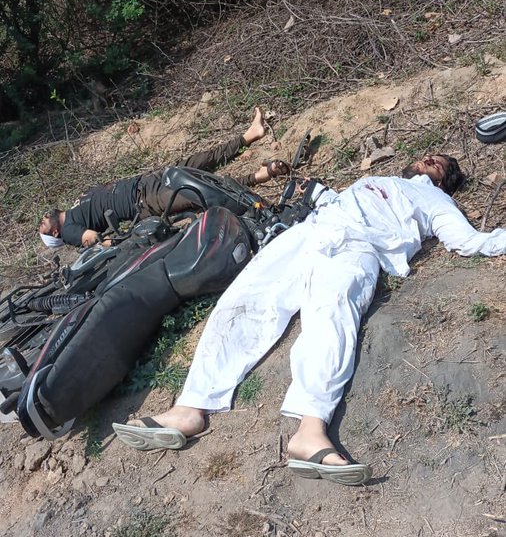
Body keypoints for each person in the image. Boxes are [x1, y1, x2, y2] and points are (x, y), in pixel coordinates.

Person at [113, 152, 506, 485]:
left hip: (355, 248)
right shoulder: (377, 179)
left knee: (331, 323)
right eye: (428, 156)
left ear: (444, 180)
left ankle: (311, 430)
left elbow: (468, 240)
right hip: (309, 232)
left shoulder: (436, 201)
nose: (429, 159)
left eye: (439, 163)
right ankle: (190, 406)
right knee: (243, 302)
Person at [38, 108, 289, 248]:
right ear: (55, 233)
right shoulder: (69, 231)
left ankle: (250, 135)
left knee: (201, 162)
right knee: (202, 190)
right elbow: (93, 240)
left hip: (145, 182)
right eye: (43, 227)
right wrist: (104, 241)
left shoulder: (75, 207)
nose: (42, 219)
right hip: (146, 202)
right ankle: (260, 176)